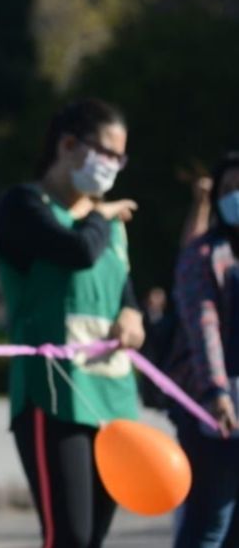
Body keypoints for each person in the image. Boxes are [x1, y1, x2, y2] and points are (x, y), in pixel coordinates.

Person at [0, 98, 145, 548]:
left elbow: (123, 290)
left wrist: (132, 316)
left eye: (121, 157)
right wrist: (101, 215)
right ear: (69, 144)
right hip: (54, 395)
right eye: (107, 153)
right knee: (70, 536)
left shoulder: (111, 225)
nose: (114, 166)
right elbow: (75, 252)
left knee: (94, 535)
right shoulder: (24, 205)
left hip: (112, 396)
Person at [169, 151, 239, 547]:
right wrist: (215, 392)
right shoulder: (204, 254)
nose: (236, 196)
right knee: (210, 520)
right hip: (215, 406)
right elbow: (203, 326)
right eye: (228, 189)